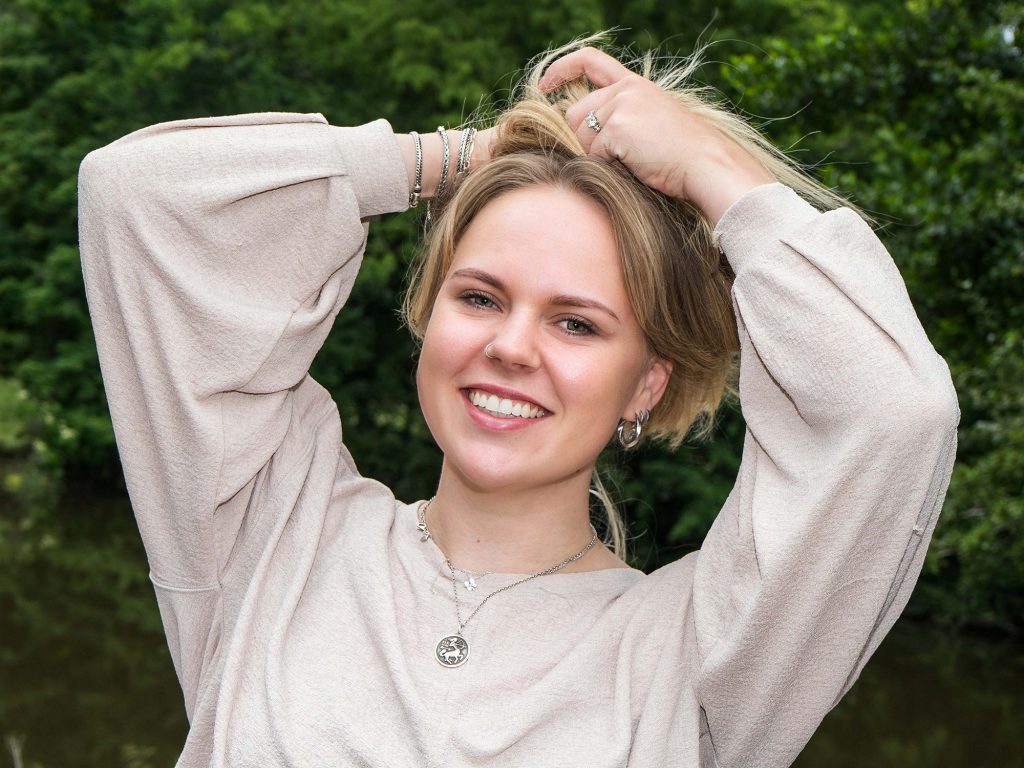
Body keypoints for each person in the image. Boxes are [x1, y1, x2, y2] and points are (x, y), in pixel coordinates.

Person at [78, 39, 959, 768]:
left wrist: (710, 168)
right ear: (427, 317)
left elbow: (893, 412)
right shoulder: (269, 536)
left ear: (646, 385)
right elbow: (137, 196)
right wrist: (475, 155)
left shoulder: (701, 662)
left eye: (576, 323)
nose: (510, 346)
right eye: (480, 297)